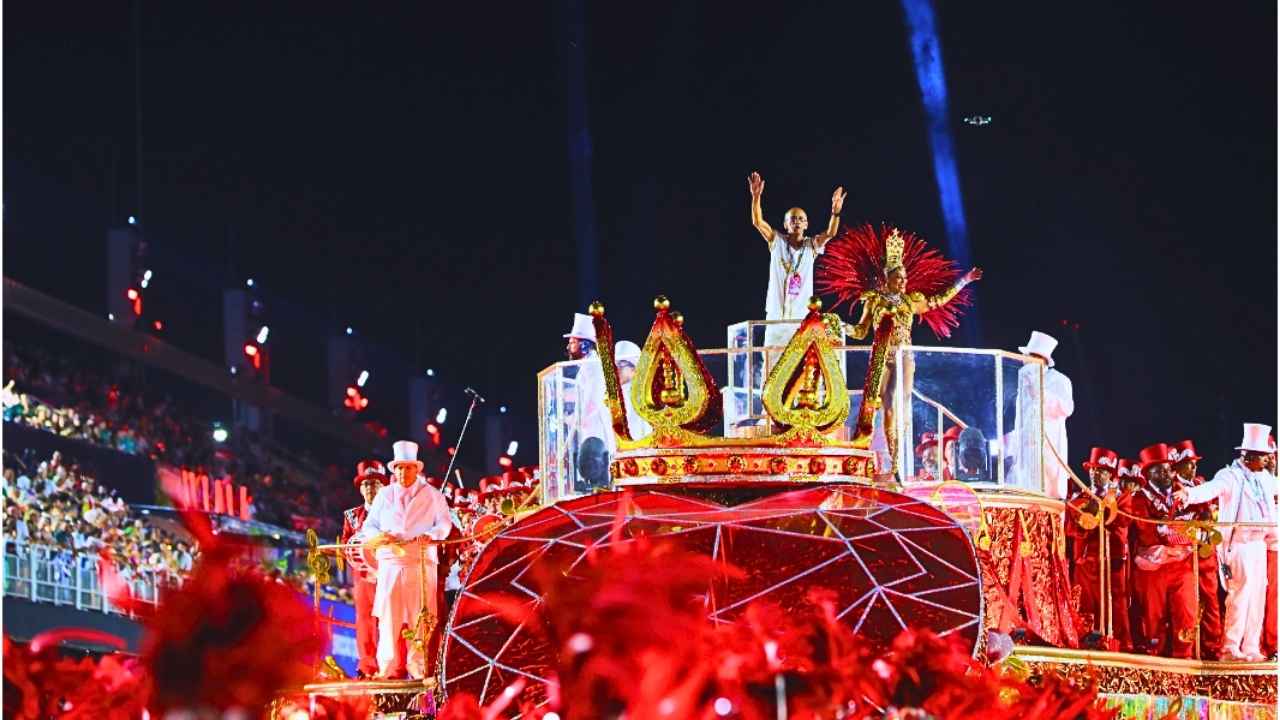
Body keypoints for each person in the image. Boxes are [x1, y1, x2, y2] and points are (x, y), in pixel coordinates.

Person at [818, 225, 981, 478]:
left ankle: (895, 462)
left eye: (905, 278)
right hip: (881, 357)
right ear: (887, 278)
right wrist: (837, 325)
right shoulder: (874, 300)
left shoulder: (910, 300)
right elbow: (861, 332)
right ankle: (875, 457)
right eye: (898, 277)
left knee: (896, 405)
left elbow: (938, 300)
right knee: (879, 407)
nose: (903, 281)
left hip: (904, 356)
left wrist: (964, 281)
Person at [1174, 423, 1279, 661]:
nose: (1267, 462)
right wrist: (1188, 495)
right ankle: (1231, 647)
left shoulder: (1264, 478)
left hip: (1260, 545)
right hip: (1239, 545)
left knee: (1258, 596)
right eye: (1263, 457)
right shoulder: (1230, 476)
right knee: (1240, 596)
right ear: (1250, 456)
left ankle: (1252, 647)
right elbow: (1210, 489)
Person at [353, 441, 454, 678]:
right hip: (390, 563)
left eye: (407, 468)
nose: (402, 473)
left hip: (420, 561)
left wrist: (431, 535)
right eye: (398, 468)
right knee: (389, 618)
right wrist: (380, 536)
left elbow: (445, 523)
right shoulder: (384, 495)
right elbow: (369, 525)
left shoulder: (432, 495)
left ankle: (418, 670)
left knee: (420, 618)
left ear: (416, 469)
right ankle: (386, 669)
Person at [747, 171, 846, 352]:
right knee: (771, 367)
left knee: (799, 368)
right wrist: (756, 197)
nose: (797, 222)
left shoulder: (812, 246)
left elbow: (830, 233)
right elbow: (757, 221)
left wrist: (835, 212)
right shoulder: (776, 242)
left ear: (806, 224)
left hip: (800, 319)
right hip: (776, 317)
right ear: (785, 224)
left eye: (801, 219)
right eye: (792, 219)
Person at [1130, 443, 1197, 658]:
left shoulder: (1184, 493)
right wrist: (1176, 530)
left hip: (1181, 564)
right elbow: (1148, 531)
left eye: (1168, 468)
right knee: (1153, 616)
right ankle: (1154, 661)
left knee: (1186, 611)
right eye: (1159, 470)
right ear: (1148, 473)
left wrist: (1179, 530)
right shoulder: (1140, 498)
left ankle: (1184, 659)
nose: (1166, 473)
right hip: (1153, 568)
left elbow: (1198, 521)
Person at [1067, 447, 1132, 651]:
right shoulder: (1080, 496)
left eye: (1102, 471)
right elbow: (1073, 526)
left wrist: (1101, 512)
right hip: (1086, 562)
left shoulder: (1121, 497)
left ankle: (1119, 644)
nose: (1097, 474)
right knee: (1084, 604)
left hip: (1111, 561)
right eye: (1094, 470)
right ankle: (1085, 640)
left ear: (1111, 474)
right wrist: (1086, 517)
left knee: (1115, 605)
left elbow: (1124, 519)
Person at [1168, 439, 1222, 659]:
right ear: (1178, 466)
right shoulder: (1172, 490)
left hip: (1206, 554)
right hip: (1185, 556)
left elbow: (1212, 510)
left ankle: (1212, 646)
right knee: (1187, 606)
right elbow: (1174, 524)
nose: (1194, 467)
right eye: (1189, 463)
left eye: (1194, 463)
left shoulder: (1201, 482)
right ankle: (1186, 651)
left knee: (1211, 601)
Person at [340, 460, 389, 678]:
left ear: (383, 487)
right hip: (362, 576)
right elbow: (344, 544)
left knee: (390, 619)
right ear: (361, 489)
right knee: (365, 620)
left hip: (388, 573)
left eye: (375, 483)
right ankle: (367, 666)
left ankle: (391, 665)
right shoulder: (351, 516)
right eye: (366, 484)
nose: (371, 488)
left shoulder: (393, 512)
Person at [1011, 331, 1074, 498]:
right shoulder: (1023, 383)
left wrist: (1039, 392)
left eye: (1027, 357)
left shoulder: (1059, 380)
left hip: (1048, 450)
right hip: (1025, 451)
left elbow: (1067, 408)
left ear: (1037, 358)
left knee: (1046, 489)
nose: (1023, 360)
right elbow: (1020, 420)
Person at [564, 313, 612, 491]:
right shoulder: (586, 364)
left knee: (596, 468)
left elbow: (592, 397)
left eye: (573, 342)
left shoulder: (592, 364)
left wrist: (578, 419)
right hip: (587, 427)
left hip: (594, 426)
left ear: (584, 344)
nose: (569, 346)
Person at [614, 340, 651, 440]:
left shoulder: (642, 394)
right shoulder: (613, 392)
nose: (616, 370)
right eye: (614, 365)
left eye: (621, 365)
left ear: (634, 370)